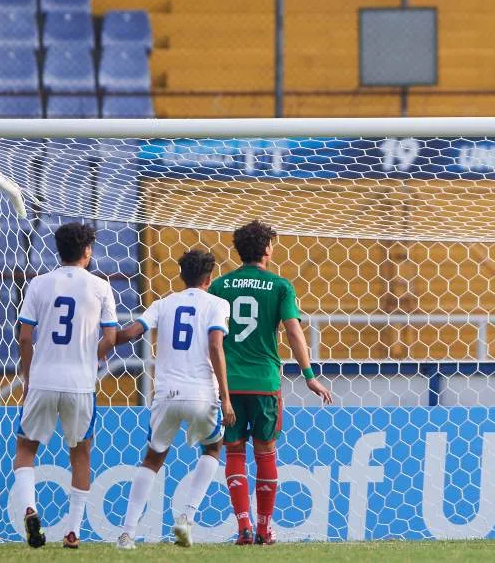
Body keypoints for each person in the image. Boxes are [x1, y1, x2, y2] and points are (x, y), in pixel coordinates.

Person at [209, 220, 334, 545]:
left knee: (233, 452)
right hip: (265, 382)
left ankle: (243, 527)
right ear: (266, 249)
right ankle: (265, 528)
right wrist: (309, 376)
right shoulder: (280, 286)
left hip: (229, 385)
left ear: (239, 250)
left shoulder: (220, 286)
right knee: (265, 451)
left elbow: (211, 338)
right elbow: (293, 331)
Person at [114, 249, 235, 550]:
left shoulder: (163, 304)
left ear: (182, 276)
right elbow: (216, 347)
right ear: (209, 278)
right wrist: (227, 399)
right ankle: (186, 517)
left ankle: (127, 534)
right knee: (213, 446)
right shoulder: (218, 304)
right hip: (201, 393)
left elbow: (130, 333)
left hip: (165, 393)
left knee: (153, 458)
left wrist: (101, 339)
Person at [13, 222, 118, 549]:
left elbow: (25, 336)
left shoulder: (38, 284)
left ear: (59, 251)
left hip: (43, 379)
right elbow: (111, 338)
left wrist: (29, 378)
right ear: (87, 251)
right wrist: (91, 355)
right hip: (80, 382)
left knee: (26, 449)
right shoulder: (100, 286)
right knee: (81, 454)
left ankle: (30, 509)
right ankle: (72, 531)